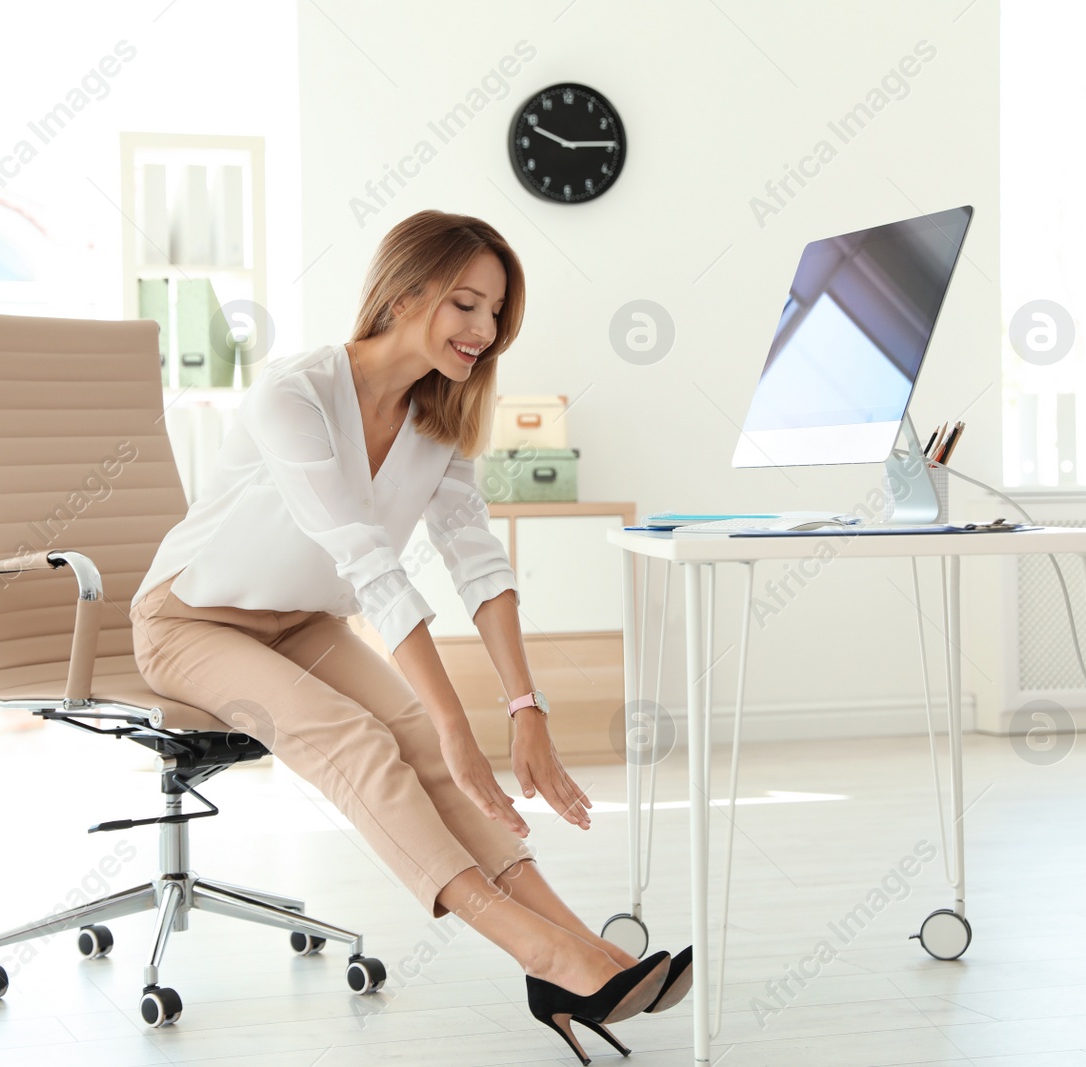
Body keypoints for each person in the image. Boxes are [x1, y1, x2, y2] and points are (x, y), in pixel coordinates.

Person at [129, 209, 690, 1060]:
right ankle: (539, 952)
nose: (484, 330)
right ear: (403, 291)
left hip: (301, 622)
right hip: (189, 620)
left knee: (423, 742)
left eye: (496, 312)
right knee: (356, 740)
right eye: (466, 304)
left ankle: (586, 953)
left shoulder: (439, 419)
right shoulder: (295, 394)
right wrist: (463, 725)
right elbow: (368, 564)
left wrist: (524, 706)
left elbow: (477, 563)